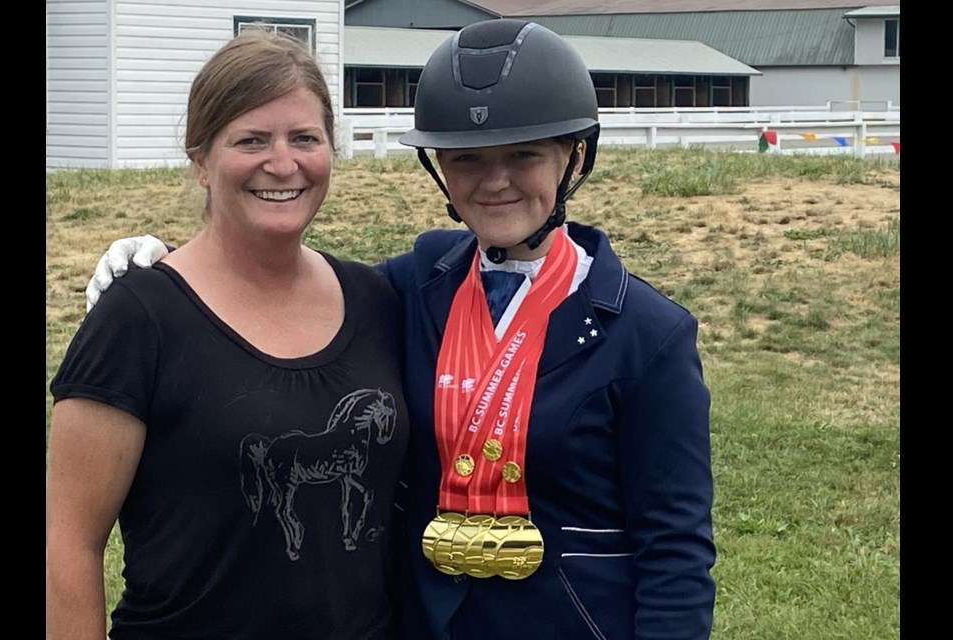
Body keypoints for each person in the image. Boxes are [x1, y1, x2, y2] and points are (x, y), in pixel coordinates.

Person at [80, 19, 716, 639]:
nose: (494, 181)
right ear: (440, 166)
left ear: (572, 156)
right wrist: (157, 267)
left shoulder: (647, 336)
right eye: (467, 159)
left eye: (523, 155)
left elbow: (676, 552)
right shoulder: (412, 290)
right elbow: (277, 291)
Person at [46, 32, 409, 640]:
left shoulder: (376, 301)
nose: (283, 162)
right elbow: (69, 544)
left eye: (305, 138)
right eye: (251, 140)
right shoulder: (137, 318)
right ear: (200, 159)